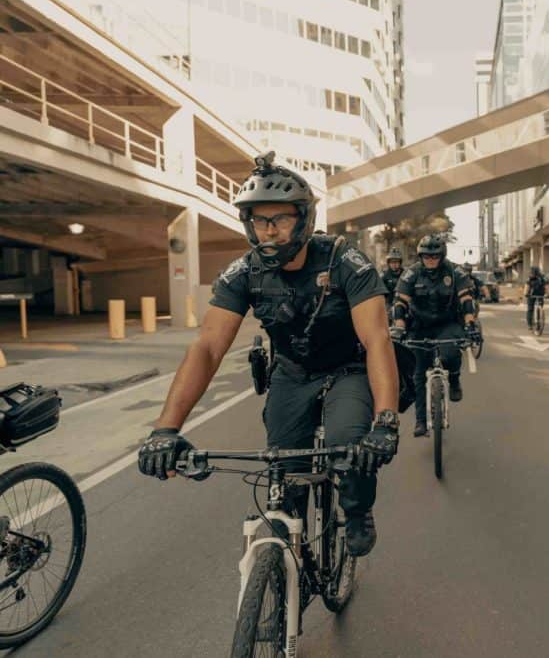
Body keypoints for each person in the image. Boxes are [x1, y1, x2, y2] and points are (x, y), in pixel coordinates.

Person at [136, 152, 400, 558]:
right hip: (292, 374)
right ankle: (283, 563)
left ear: (304, 219)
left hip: (348, 369)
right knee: (284, 470)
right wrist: (165, 430)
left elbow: (378, 340)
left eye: (279, 219)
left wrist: (385, 421)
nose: (269, 231)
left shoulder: (346, 262)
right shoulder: (243, 273)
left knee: (348, 447)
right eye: (260, 220)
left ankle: (358, 509)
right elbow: (207, 348)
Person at [389, 236, 481, 437]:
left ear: (442, 256)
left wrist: (470, 323)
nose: (430, 260)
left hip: (447, 323)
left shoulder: (455, 272)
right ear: (421, 256)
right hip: (419, 326)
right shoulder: (411, 273)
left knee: (451, 354)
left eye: (435, 256)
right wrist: (399, 327)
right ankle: (421, 421)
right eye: (426, 256)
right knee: (418, 374)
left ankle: (455, 379)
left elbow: (466, 300)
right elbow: (400, 303)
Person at [524, 266, 549, 331]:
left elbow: (527, 287)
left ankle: (531, 325)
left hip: (533, 295)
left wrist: (526, 294)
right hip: (539, 295)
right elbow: (547, 287)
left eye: (532, 273)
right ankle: (530, 324)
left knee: (530, 309)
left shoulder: (531, 278)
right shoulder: (544, 278)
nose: (531, 274)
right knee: (531, 308)